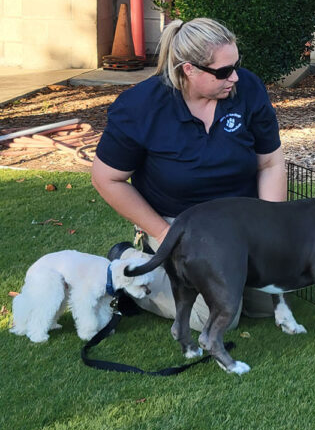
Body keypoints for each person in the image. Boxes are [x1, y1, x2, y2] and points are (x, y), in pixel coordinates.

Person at [92, 17, 286, 330]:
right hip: (179, 225)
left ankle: (232, 273)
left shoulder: (247, 88)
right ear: (189, 70)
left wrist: (271, 225)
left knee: (269, 300)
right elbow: (106, 178)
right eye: (224, 72)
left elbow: (270, 163)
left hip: (241, 221)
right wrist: (164, 235)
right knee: (214, 316)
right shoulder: (140, 106)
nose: (235, 77)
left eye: (236, 65)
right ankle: (132, 268)